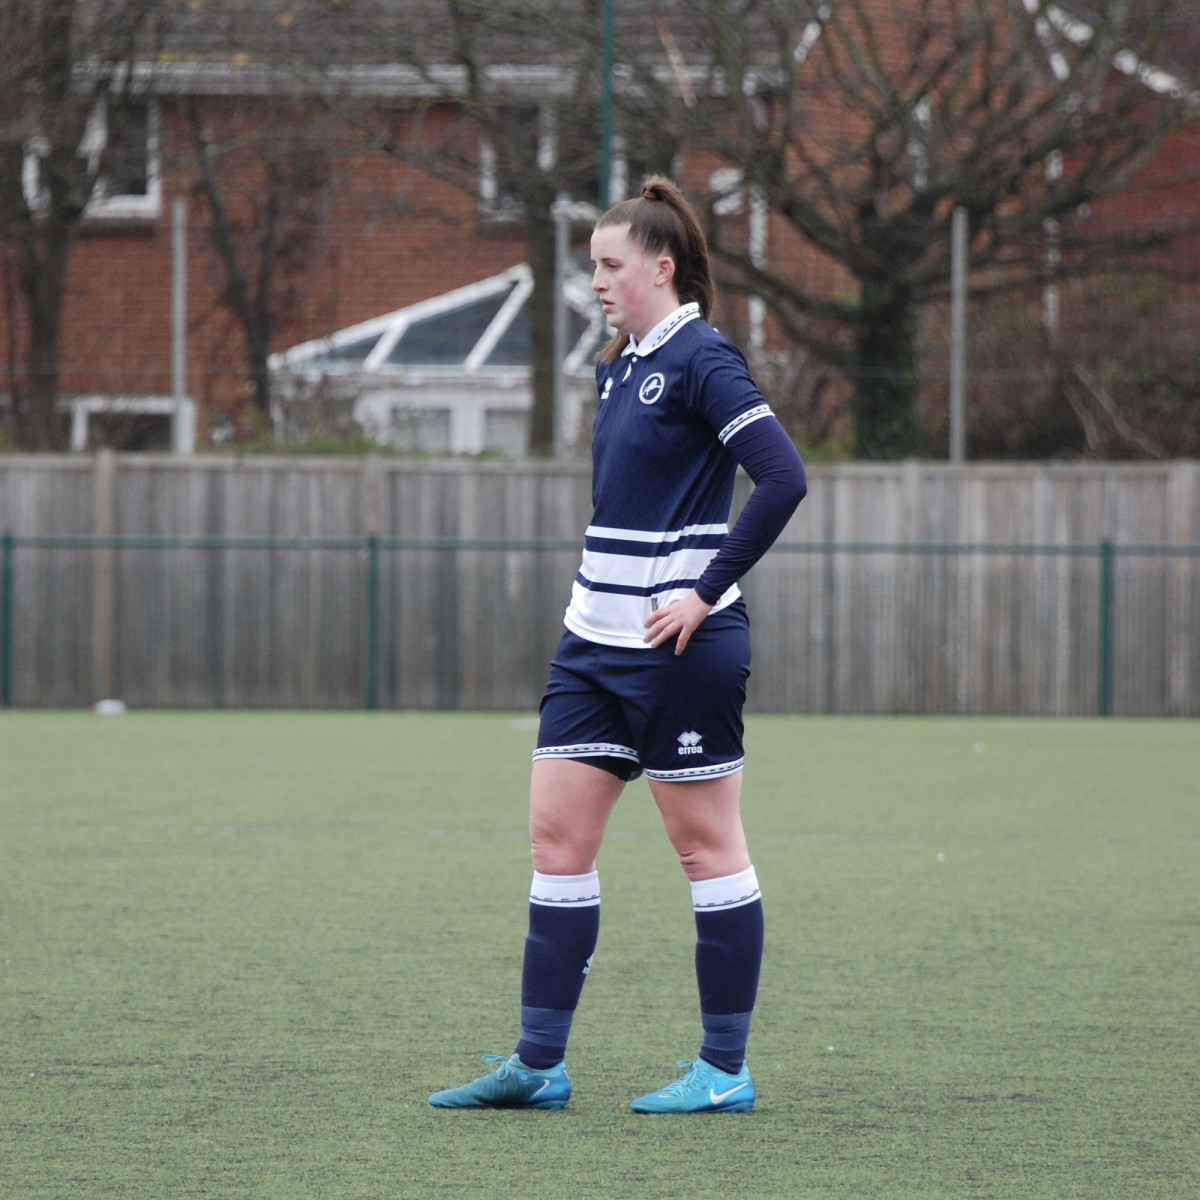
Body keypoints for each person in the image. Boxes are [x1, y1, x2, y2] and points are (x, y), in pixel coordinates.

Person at [428, 176, 806, 1114]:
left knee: (706, 851)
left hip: (681, 648)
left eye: (609, 264)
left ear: (660, 268)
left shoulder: (701, 359)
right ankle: (539, 1063)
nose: (595, 280)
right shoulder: (620, 363)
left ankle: (724, 1071)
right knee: (556, 840)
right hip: (591, 645)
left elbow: (783, 478)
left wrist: (706, 592)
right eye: (591, 264)